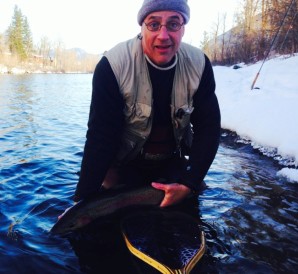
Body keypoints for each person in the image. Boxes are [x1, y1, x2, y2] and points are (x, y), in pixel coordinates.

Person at [73, 0, 221, 207]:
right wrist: (82, 202)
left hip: (171, 164)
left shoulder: (199, 64)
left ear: (183, 29)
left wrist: (190, 182)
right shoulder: (112, 66)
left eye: (173, 24)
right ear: (141, 26)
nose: (163, 35)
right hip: (122, 167)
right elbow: (101, 136)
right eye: (153, 24)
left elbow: (209, 129)